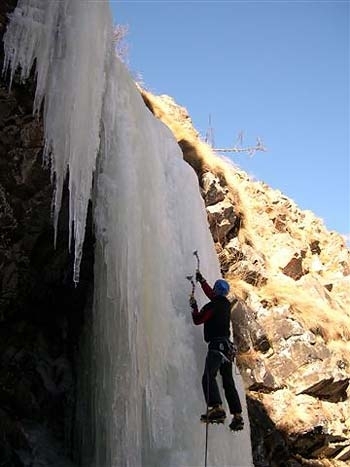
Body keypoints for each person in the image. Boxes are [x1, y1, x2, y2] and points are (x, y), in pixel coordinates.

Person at [189, 271, 244, 431]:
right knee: (228, 382)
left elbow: (198, 319)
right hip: (228, 349)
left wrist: (194, 307)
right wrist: (202, 281)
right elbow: (214, 295)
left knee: (208, 376)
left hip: (216, 347)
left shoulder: (212, 306)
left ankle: (216, 407)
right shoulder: (225, 304)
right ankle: (237, 416)